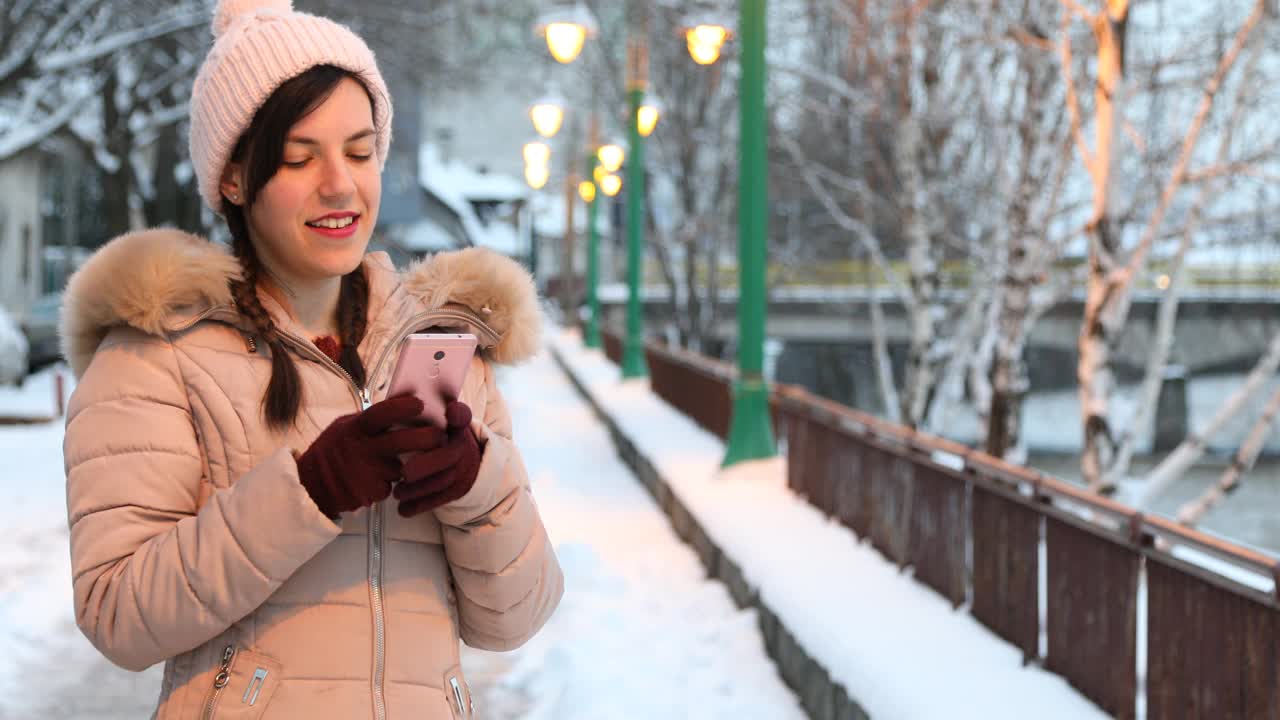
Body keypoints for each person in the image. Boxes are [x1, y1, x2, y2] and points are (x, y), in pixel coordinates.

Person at [58, 1, 562, 717]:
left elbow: (513, 619)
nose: (339, 184)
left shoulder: (442, 346)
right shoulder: (155, 353)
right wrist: (310, 491)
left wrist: (479, 486)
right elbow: (117, 613)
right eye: (300, 157)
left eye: (360, 152)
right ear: (234, 179)